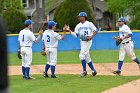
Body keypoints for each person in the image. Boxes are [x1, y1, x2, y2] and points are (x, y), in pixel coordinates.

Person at [67, 12, 98, 77]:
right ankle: (93, 70)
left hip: (88, 41)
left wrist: (91, 36)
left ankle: (84, 71)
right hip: (82, 41)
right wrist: (69, 31)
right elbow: (76, 35)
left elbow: (95, 30)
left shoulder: (89, 24)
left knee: (81, 56)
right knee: (87, 57)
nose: (79, 18)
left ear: (84, 17)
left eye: (80, 16)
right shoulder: (78, 25)